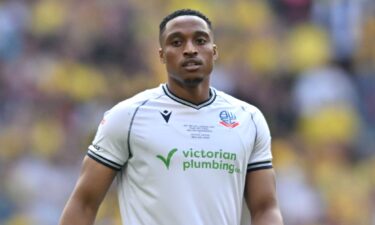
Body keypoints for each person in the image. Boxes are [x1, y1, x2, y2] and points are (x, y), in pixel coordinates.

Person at [58, 8, 284, 225]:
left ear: (214, 51)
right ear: (162, 55)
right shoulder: (128, 117)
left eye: (200, 40)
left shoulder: (248, 119)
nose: (190, 49)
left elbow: (265, 208)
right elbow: (83, 204)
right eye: (176, 42)